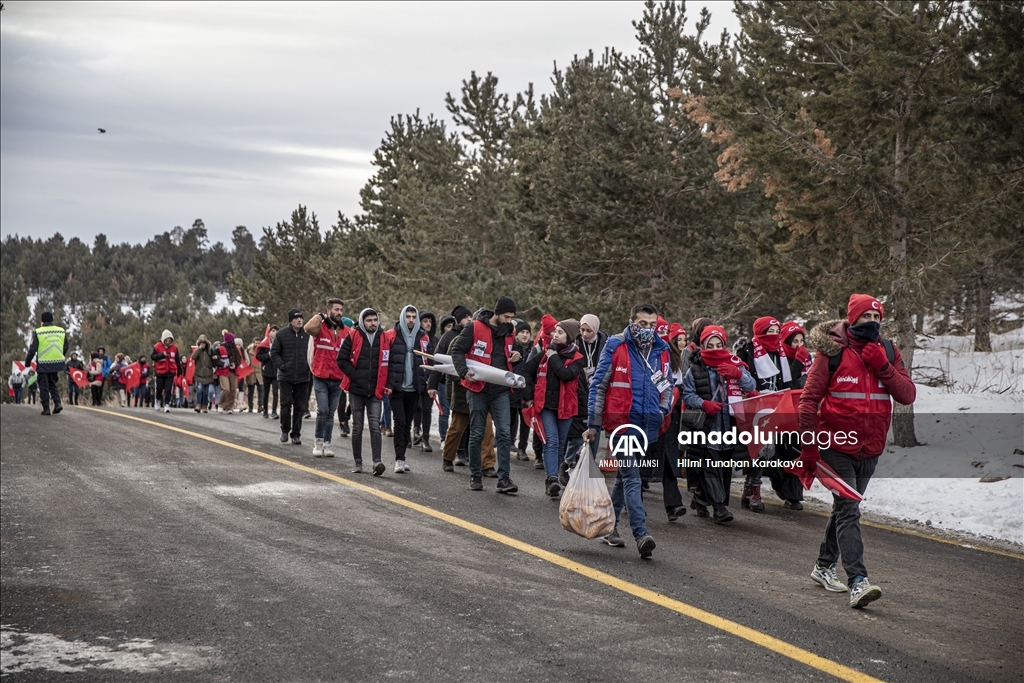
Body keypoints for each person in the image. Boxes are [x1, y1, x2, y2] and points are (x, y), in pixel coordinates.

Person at [799, 294, 916, 608]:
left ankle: (823, 566)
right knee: (850, 508)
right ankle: (858, 581)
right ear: (853, 319)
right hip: (834, 446)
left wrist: (882, 366)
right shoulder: (832, 352)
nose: (872, 323)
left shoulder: (887, 351)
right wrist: (809, 446)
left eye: (877, 318)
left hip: (870, 448)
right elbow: (808, 402)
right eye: (866, 317)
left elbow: (907, 395)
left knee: (842, 509)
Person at [585, 303, 673, 559]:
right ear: (632, 321)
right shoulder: (616, 345)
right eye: (642, 323)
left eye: (652, 325)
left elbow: (667, 386)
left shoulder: (661, 350)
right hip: (621, 423)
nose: (647, 329)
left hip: (646, 425)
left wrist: (662, 411)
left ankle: (608, 527)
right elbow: (599, 386)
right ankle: (641, 534)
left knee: (625, 478)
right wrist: (593, 423)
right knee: (633, 477)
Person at [681, 325, 756, 523]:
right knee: (711, 466)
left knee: (724, 468)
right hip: (708, 426)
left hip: (730, 425)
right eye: (710, 345)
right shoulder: (695, 369)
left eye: (718, 345)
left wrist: (737, 374)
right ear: (703, 346)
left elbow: (751, 386)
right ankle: (719, 508)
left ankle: (701, 498)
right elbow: (687, 395)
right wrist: (704, 403)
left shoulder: (735, 363)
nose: (715, 349)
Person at [450, 297, 523, 493]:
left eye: (511, 317)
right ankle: (475, 475)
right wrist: (463, 371)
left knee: (505, 434)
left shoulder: (510, 331)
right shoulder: (474, 327)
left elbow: (512, 353)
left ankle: (504, 479)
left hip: (500, 391)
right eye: (506, 316)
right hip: (478, 389)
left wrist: (517, 356)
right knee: (477, 432)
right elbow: (457, 350)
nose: (509, 320)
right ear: (496, 313)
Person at [735, 316, 804, 511]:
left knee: (768, 450)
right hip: (754, 405)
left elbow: (787, 381)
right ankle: (753, 490)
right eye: (769, 332)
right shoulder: (748, 350)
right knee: (757, 449)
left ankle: (751, 489)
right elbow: (740, 375)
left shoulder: (780, 353)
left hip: (777, 404)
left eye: (776, 332)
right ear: (760, 332)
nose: (773, 336)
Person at [522, 318, 585, 497]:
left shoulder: (577, 359)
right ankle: (551, 478)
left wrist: (553, 356)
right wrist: (528, 397)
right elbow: (526, 371)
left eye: (560, 332)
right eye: (555, 332)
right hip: (545, 406)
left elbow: (566, 374)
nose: (555, 335)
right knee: (551, 441)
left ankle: (553, 479)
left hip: (566, 408)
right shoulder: (544, 353)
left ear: (569, 337)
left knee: (560, 444)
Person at [337, 308, 391, 475]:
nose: (373, 323)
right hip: (356, 390)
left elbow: (390, 363)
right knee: (358, 427)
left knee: (375, 426)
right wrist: (355, 377)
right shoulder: (353, 336)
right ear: (362, 322)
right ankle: (358, 463)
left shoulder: (384, 337)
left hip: (376, 390)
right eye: (369, 320)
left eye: (375, 320)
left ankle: (377, 462)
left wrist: (389, 383)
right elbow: (341, 360)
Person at [304, 298, 350, 457]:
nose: (339, 313)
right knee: (322, 410)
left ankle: (327, 443)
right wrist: (319, 316)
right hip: (320, 376)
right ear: (328, 311)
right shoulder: (319, 328)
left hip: (337, 377)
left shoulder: (346, 331)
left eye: (341, 310)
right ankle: (318, 442)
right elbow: (308, 328)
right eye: (336, 309)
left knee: (330, 413)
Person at [386, 305, 429, 473]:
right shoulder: (392, 335)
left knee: (407, 423)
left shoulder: (423, 337)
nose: (411, 320)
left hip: (414, 388)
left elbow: (428, 361)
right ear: (402, 317)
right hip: (397, 388)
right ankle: (399, 459)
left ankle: (403, 457)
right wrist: (388, 382)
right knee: (400, 422)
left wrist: (424, 380)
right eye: (408, 316)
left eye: (413, 317)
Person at [271, 309, 311, 445]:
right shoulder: (281, 334)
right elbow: (274, 353)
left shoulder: (308, 335)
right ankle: (285, 430)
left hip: (303, 376)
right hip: (285, 376)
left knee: (300, 406)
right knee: (286, 404)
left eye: (301, 318)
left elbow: (314, 352)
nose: (299, 320)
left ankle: (296, 434)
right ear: (290, 320)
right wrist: (283, 366)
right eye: (296, 318)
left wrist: (309, 367)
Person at [24, 311, 68, 416]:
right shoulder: (61, 330)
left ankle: (46, 408)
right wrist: (60, 356)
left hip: (44, 363)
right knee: (52, 383)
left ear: (42, 322)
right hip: (57, 362)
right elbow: (66, 347)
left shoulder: (38, 332)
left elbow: (32, 349)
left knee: (43, 385)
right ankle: (57, 403)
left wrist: (27, 362)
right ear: (52, 320)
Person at [412, 310, 438, 453]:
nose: (428, 324)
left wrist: (432, 378)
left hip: (429, 379)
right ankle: (415, 431)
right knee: (415, 406)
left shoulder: (435, 340)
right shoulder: (414, 338)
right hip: (415, 379)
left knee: (427, 409)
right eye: (425, 321)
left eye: (430, 321)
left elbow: (435, 361)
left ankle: (425, 439)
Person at [510, 320, 533, 460]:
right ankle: (508, 443)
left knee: (525, 423)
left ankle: (522, 449)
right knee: (511, 420)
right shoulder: (512, 347)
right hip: (513, 390)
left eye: (527, 332)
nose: (525, 335)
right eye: (522, 332)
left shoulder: (533, 349)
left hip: (526, 391)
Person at [151, 330, 180, 413]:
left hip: (170, 372)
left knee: (168, 389)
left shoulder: (175, 348)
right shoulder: (157, 346)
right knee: (159, 388)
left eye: (169, 340)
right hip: (160, 371)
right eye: (166, 340)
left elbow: (177, 359)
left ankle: (167, 404)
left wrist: (179, 369)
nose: (168, 341)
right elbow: (153, 356)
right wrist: (162, 355)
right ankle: (158, 400)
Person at [255, 326, 279, 419]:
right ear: (269, 333)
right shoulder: (264, 344)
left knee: (275, 392)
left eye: (276, 331)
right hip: (267, 370)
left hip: (276, 371)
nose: (274, 332)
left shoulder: (279, 343)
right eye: (273, 331)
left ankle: (274, 411)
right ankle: (265, 410)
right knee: (266, 391)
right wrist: (268, 355)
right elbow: (258, 356)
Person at [781, 321, 811, 389]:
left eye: (801, 341)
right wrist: (799, 360)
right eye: (795, 341)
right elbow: (787, 382)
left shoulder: (806, 355)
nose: (799, 345)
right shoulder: (781, 356)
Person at [216, 331, 241, 413]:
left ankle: (230, 407)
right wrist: (222, 364)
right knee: (226, 389)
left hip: (233, 371)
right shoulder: (220, 348)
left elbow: (239, 360)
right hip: (223, 370)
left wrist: (235, 364)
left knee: (233, 389)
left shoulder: (235, 349)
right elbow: (215, 359)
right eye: (231, 340)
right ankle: (221, 405)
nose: (232, 342)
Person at [192, 335, 217, 413]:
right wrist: (199, 349)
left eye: (204, 343)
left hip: (208, 375)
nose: (203, 344)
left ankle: (204, 406)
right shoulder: (198, 351)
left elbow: (215, 358)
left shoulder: (210, 351)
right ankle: (198, 405)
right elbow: (193, 357)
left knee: (206, 392)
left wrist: (215, 357)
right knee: (200, 390)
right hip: (199, 374)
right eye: (201, 343)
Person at [246, 337, 265, 414]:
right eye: (256, 343)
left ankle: (260, 406)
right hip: (251, 373)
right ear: (253, 343)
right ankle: (250, 406)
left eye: (258, 343)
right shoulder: (248, 351)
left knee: (261, 390)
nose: (257, 344)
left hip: (259, 373)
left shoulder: (262, 350)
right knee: (251, 391)